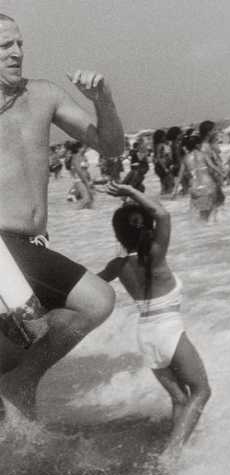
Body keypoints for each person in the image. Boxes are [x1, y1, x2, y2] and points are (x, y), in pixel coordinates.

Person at [0, 14, 123, 418]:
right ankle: (21, 387)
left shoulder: (44, 95)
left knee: (30, 340)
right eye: (5, 46)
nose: (17, 52)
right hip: (3, 246)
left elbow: (110, 148)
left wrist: (102, 99)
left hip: (35, 243)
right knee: (97, 300)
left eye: (19, 43)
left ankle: (16, 400)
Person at [98, 182, 210, 460]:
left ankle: (177, 454)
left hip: (145, 335)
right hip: (167, 330)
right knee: (202, 391)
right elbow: (163, 214)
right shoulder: (155, 257)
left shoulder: (117, 266)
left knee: (180, 399)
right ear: (146, 228)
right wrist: (130, 191)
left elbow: (93, 283)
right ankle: (170, 455)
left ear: (119, 234)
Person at [68, 141, 94, 209]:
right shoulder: (75, 158)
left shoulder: (83, 157)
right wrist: (86, 182)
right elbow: (79, 171)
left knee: (91, 200)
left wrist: (90, 180)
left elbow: (85, 170)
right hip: (79, 180)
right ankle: (74, 213)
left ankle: (89, 216)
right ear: (79, 148)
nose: (86, 148)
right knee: (86, 199)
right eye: (84, 147)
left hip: (86, 179)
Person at [153, 129, 175, 195]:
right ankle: (170, 200)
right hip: (163, 166)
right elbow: (159, 157)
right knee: (170, 183)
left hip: (159, 166)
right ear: (160, 137)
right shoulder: (161, 146)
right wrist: (165, 168)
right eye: (164, 136)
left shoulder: (157, 145)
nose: (165, 137)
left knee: (164, 184)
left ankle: (164, 199)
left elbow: (157, 158)